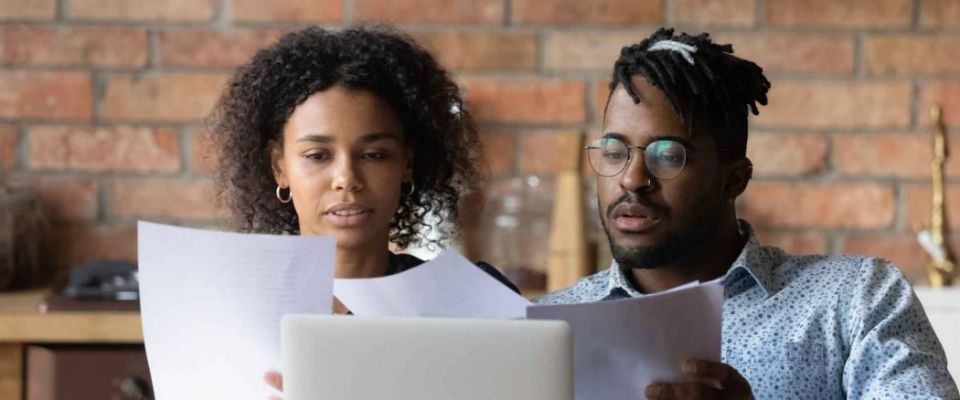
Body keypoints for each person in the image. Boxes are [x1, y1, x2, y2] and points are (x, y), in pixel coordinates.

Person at [535, 28, 959, 399]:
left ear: (734, 178)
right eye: (614, 152)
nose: (631, 178)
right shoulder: (547, 326)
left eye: (668, 155)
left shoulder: (855, 300)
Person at [206, 25, 518, 394]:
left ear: (406, 162)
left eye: (374, 155)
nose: (346, 179)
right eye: (317, 156)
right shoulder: (226, 313)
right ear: (280, 167)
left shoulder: (471, 301)